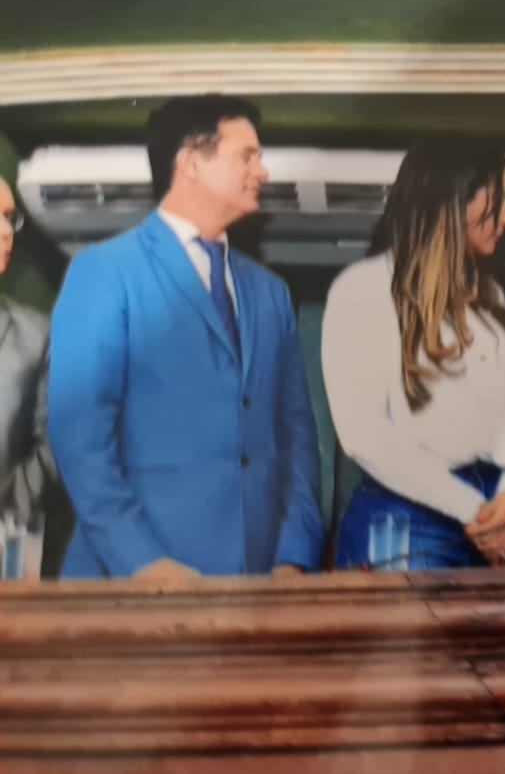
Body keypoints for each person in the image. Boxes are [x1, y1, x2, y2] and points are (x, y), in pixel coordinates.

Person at [48, 95, 322, 584]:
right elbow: (80, 441)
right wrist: (145, 563)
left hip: (256, 587)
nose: (262, 171)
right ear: (191, 163)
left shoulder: (271, 293)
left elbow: (297, 440)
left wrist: (292, 557)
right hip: (131, 585)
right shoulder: (104, 271)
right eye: (247, 156)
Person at [323, 139, 505, 570]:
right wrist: (475, 512)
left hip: (499, 514)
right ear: (452, 202)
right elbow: (363, 436)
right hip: (408, 518)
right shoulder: (361, 288)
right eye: (499, 200)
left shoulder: (489, 296)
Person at [0, 176, 58, 569]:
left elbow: (52, 444)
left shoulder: (37, 335)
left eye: (9, 217)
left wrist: (7, 516)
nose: (7, 232)